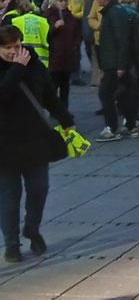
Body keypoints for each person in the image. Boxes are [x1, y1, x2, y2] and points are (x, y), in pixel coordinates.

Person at [0, 24, 74, 262]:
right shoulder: (17, 65)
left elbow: (49, 96)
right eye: (8, 48)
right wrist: (16, 69)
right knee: (10, 197)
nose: (14, 51)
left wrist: (66, 120)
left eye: (17, 45)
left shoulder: (32, 61)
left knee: (39, 189)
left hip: (35, 139)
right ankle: (11, 244)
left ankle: (32, 228)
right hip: (5, 143)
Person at [95, 0, 138, 141]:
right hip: (112, 62)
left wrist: (121, 64)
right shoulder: (112, 12)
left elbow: (122, 40)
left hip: (114, 63)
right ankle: (130, 124)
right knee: (123, 93)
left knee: (105, 93)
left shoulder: (114, 13)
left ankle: (111, 127)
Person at [45, 0, 82, 110]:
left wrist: (75, 45)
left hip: (68, 55)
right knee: (53, 85)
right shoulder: (48, 15)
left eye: (65, 1)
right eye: (60, 1)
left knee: (65, 86)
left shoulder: (70, 17)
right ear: (54, 2)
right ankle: (54, 109)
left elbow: (77, 34)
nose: (63, 3)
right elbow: (46, 35)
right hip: (55, 55)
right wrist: (54, 27)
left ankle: (64, 110)